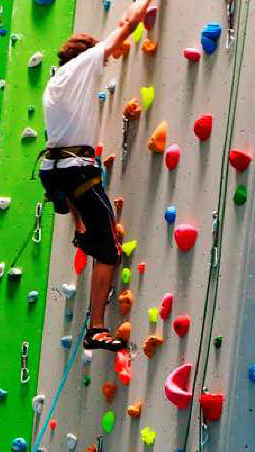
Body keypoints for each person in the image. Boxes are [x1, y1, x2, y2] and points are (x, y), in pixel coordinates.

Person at [39, 0, 155, 351]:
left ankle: (82, 232)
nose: (109, 60)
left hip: (56, 171)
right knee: (109, 251)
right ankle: (97, 328)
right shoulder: (84, 64)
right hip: (76, 171)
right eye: (103, 57)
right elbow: (126, 26)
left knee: (92, 227)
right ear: (86, 54)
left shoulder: (55, 83)